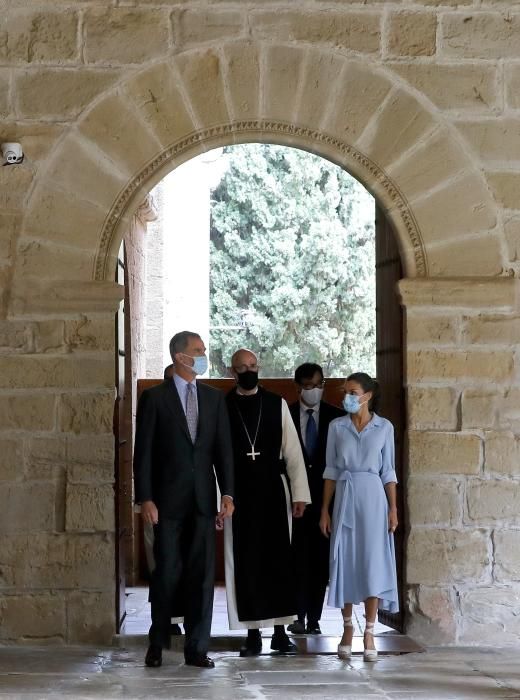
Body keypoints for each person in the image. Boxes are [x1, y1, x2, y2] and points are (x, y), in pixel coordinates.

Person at [133, 331, 235, 669]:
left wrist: (228, 493)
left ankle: (197, 647)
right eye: (198, 350)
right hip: (166, 503)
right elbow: (143, 453)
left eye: (203, 350)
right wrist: (145, 498)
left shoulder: (213, 398)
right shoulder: (155, 398)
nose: (203, 355)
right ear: (180, 357)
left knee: (202, 577)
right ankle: (158, 642)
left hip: (204, 503)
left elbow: (223, 451)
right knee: (166, 574)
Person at [223, 348, 311, 657]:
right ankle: (252, 633)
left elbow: (293, 451)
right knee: (245, 563)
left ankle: (280, 632)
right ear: (232, 372)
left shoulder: (276, 404)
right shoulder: (223, 406)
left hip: (274, 491)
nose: (248, 370)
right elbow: (216, 458)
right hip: (238, 494)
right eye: (242, 367)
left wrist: (300, 494)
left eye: (253, 365)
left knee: (277, 562)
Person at [319, 372, 398, 662]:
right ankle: (348, 628)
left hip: (374, 499)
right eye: (345, 392)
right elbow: (330, 470)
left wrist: (393, 509)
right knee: (347, 560)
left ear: (367, 395)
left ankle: (370, 631)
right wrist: (325, 510)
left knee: (372, 562)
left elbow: (388, 471)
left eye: (352, 392)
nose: (347, 397)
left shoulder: (384, 427)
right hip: (346, 498)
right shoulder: (336, 427)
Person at [288, 363, 345, 635]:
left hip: (326, 499)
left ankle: (314, 618)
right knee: (295, 559)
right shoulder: (285, 413)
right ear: (298, 386)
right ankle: (296, 615)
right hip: (294, 499)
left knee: (320, 562)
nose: (315, 391)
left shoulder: (337, 416)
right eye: (309, 386)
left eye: (319, 385)